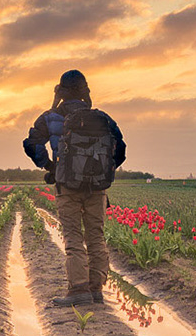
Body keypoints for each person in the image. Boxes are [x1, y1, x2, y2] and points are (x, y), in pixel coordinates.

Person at [24, 69, 126, 307]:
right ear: (85, 90)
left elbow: (31, 143)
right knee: (96, 238)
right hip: (97, 188)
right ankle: (96, 289)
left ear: (60, 90)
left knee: (73, 238)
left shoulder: (50, 118)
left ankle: (78, 289)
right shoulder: (103, 119)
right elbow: (120, 150)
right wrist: (103, 172)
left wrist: (50, 166)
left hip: (67, 187)